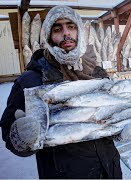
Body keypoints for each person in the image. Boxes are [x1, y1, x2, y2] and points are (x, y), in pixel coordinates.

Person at [0, 6, 122, 179]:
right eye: (57, 29)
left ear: (79, 31)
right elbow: (9, 135)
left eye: (71, 27)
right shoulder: (30, 81)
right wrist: (21, 138)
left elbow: (109, 116)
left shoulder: (98, 74)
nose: (66, 33)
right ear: (49, 36)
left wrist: (121, 128)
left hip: (109, 170)